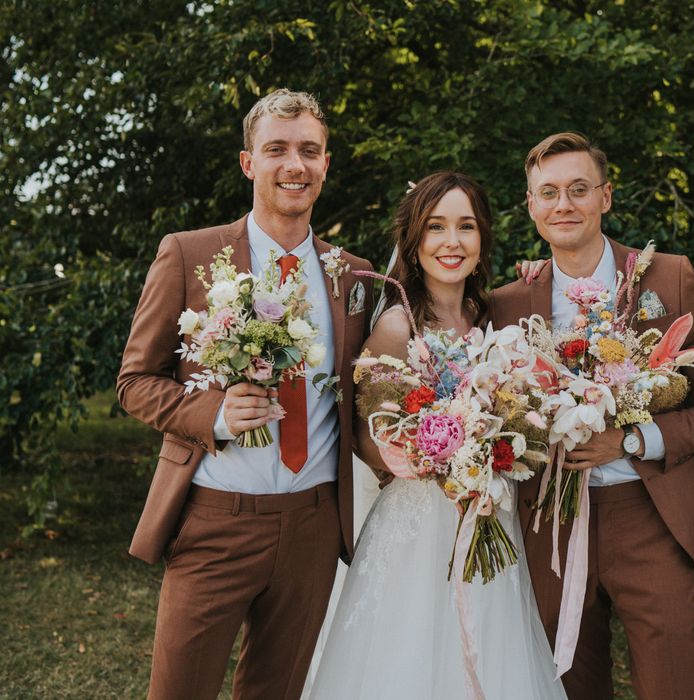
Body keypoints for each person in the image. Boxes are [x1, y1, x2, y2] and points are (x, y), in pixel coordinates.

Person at [116, 89, 374, 700]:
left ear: (326, 164)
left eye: (310, 151)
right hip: (214, 521)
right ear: (247, 162)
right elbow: (134, 381)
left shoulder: (355, 276)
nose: (295, 165)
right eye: (277, 149)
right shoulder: (189, 254)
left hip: (313, 526)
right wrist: (215, 414)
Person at [491, 132, 694, 700]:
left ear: (605, 196)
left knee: (672, 682)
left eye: (579, 189)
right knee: (568, 686)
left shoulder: (669, 278)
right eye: (548, 192)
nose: (564, 205)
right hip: (549, 523)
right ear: (530, 206)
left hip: (649, 516)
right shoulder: (508, 301)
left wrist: (630, 440)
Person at [308, 171, 566, 700]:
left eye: (466, 226)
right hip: (419, 525)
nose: (452, 242)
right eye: (436, 227)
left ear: (483, 237)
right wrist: (419, 453)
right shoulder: (398, 326)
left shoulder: (494, 314)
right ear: (414, 239)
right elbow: (366, 433)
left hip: (489, 515)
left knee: (494, 651)